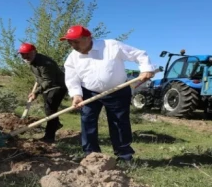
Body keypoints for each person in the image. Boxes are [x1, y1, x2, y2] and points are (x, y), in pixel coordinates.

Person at [60, 25, 155, 164]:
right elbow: (71, 78)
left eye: (76, 41)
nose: (72, 45)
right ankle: (91, 155)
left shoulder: (111, 46)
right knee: (87, 122)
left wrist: (146, 69)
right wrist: (76, 95)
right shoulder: (72, 58)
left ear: (88, 38)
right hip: (89, 92)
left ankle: (124, 156)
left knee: (119, 122)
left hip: (117, 90)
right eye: (70, 42)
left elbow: (139, 54)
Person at [18, 43, 67, 143]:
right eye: (22, 54)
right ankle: (56, 124)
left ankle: (49, 137)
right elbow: (39, 78)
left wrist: (36, 92)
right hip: (47, 87)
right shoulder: (32, 62)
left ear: (34, 52)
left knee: (50, 111)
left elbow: (49, 81)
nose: (25, 56)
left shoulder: (45, 63)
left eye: (27, 54)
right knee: (48, 109)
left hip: (57, 86)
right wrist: (36, 90)